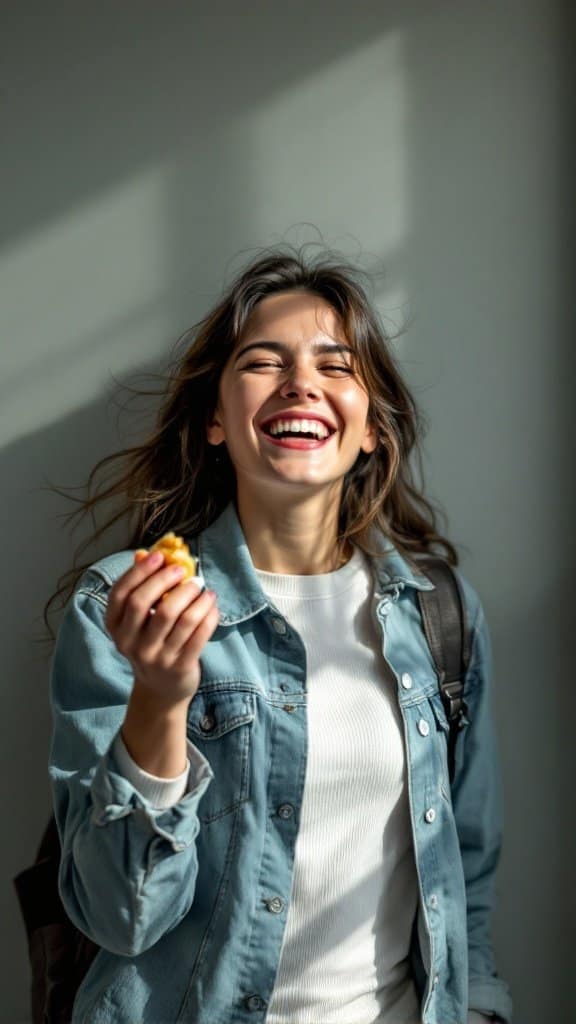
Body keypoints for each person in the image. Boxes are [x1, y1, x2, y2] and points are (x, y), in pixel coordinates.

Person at [47, 246, 513, 1023]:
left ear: (372, 429)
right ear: (216, 421)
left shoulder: (442, 613)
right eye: (265, 362)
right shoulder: (123, 604)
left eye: (337, 366)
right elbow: (117, 916)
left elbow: (468, 874)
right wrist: (160, 703)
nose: (302, 383)